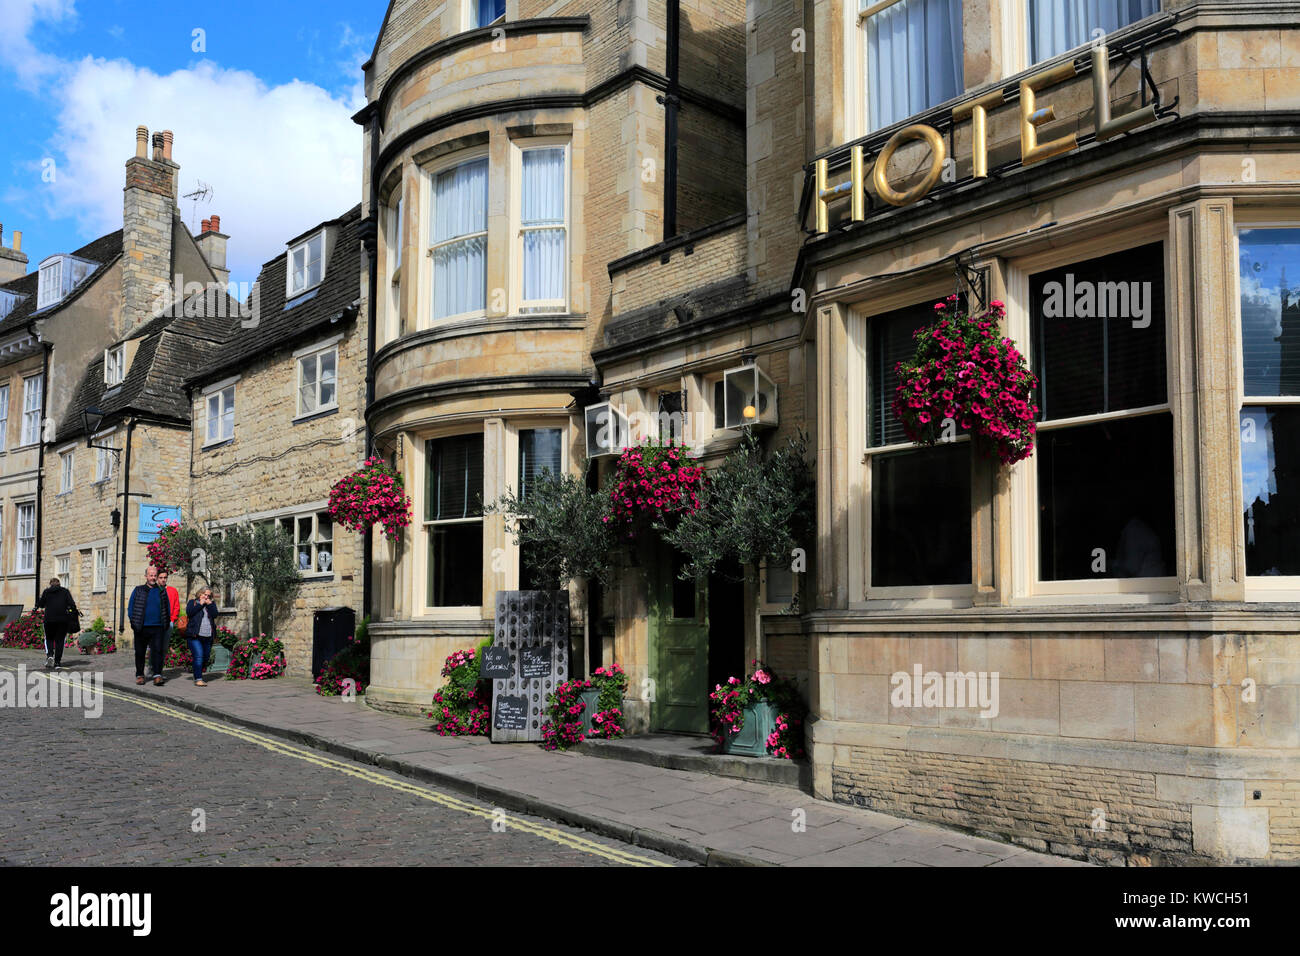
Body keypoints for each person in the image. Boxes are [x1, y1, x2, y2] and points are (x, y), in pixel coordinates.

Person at [127, 566, 168, 686]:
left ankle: (157, 675)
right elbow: (131, 608)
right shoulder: (138, 590)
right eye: (151, 575)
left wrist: (165, 623)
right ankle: (140, 675)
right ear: (146, 576)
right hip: (141, 627)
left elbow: (167, 608)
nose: (153, 578)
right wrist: (134, 623)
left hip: (158, 627)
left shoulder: (161, 591)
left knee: (158, 652)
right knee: (140, 652)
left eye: (155, 575)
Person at [36, 576, 79, 670]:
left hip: (49, 619)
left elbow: (41, 604)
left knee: (49, 638)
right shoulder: (65, 591)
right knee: (60, 641)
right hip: (62, 620)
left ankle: (50, 655)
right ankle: (57, 662)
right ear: (59, 584)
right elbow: (72, 604)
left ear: (50, 584)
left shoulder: (47, 592)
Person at [185, 587, 219, 687]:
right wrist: (200, 604)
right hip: (195, 635)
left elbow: (215, 614)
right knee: (199, 656)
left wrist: (210, 605)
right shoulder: (193, 602)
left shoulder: (210, 605)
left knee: (206, 657)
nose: (206, 597)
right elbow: (190, 612)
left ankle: (196, 669)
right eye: (205, 594)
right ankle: (198, 679)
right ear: (200, 594)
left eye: (209, 596)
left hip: (208, 635)